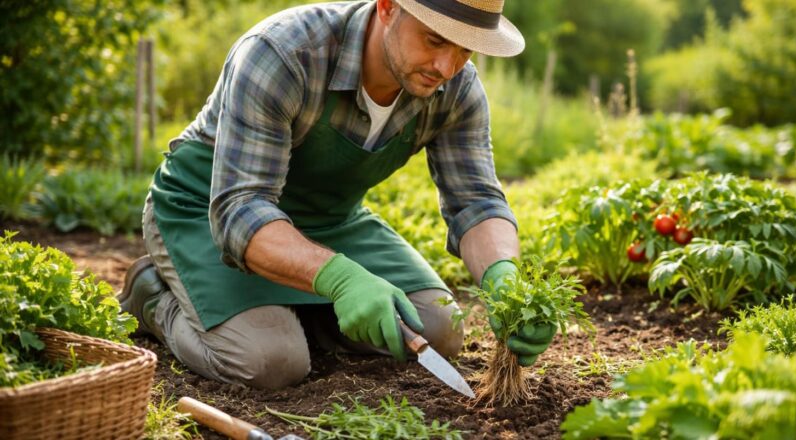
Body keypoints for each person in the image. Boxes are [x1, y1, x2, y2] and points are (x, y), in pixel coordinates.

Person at [118, 0, 558, 390]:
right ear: (387, 7)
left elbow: (476, 202)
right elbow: (240, 209)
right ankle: (154, 297)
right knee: (270, 362)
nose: (447, 67)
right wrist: (341, 279)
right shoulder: (284, 53)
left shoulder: (455, 89)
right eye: (434, 40)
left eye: (465, 50)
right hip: (208, 210)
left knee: (440, 327)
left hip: (327, 220)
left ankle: (287, 307)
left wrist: (504, 278)